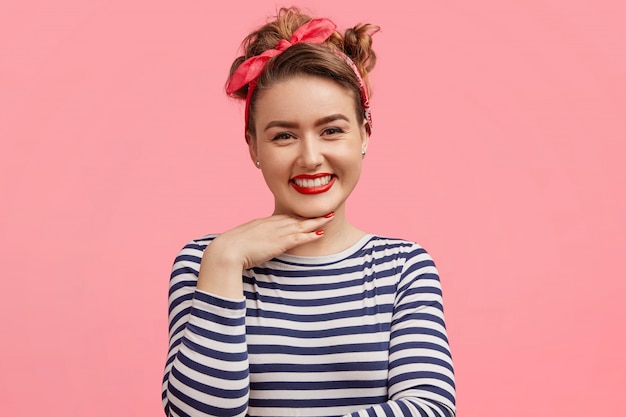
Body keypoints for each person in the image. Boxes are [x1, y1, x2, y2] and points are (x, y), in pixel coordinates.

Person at [162, 7, 456, 417]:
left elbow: (430, 408)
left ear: (365, 134)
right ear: (253, 148)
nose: (310, 157)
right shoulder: (205, 262)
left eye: (332, 130)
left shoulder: (404, 268)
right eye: (283, 135)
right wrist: (225, 261)